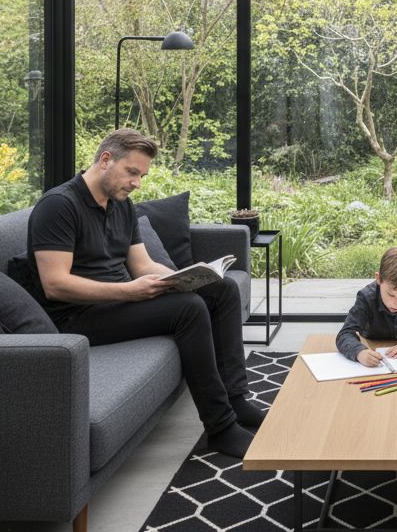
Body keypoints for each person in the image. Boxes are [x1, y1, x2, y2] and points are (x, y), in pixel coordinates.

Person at [28, 128, 265, 459]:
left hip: (117, 302)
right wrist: (128, 291)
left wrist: (190, 277)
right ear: (106, 160)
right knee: (188, 309)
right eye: (132, 172)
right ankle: (221, 428)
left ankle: (236, 400)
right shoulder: (59, 206)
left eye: (141, 175)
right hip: (77, 316)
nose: (137, 182)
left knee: (221, 290)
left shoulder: (121, 204)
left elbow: (141, 265)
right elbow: (55, 285)